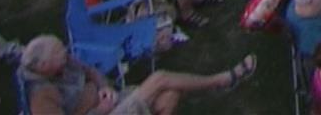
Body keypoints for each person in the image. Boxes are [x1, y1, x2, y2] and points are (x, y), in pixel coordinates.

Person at [18, 33, 254, 115]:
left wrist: (104, 86)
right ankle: (220, 80)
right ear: (43, 66)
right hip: (103, 112)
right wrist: (99, 111)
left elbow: (89, 70)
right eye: (60, 55)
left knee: (170, 95)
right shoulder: (41, 95)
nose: (66, 55)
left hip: (110, 99)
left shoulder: (62, 61)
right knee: (160, 78)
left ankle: (221, 81)